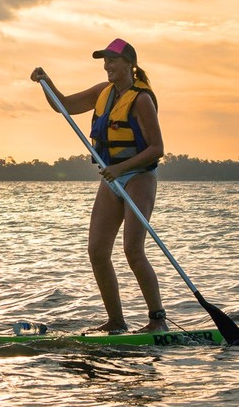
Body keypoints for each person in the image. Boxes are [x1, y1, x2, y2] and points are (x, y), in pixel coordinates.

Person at [30, 38, 168, 333]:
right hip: (113, 180)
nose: (108, 66)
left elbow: (157, 148)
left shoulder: (141, 99)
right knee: (97, 250)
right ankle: (116, 321)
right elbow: (63, 106)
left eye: (113, 60)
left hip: (139, 177)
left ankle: (158, 322)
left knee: (133, 250)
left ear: (130, 64)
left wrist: (119, 168)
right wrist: (46, 83)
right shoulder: (102, 92)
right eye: (105, 61)